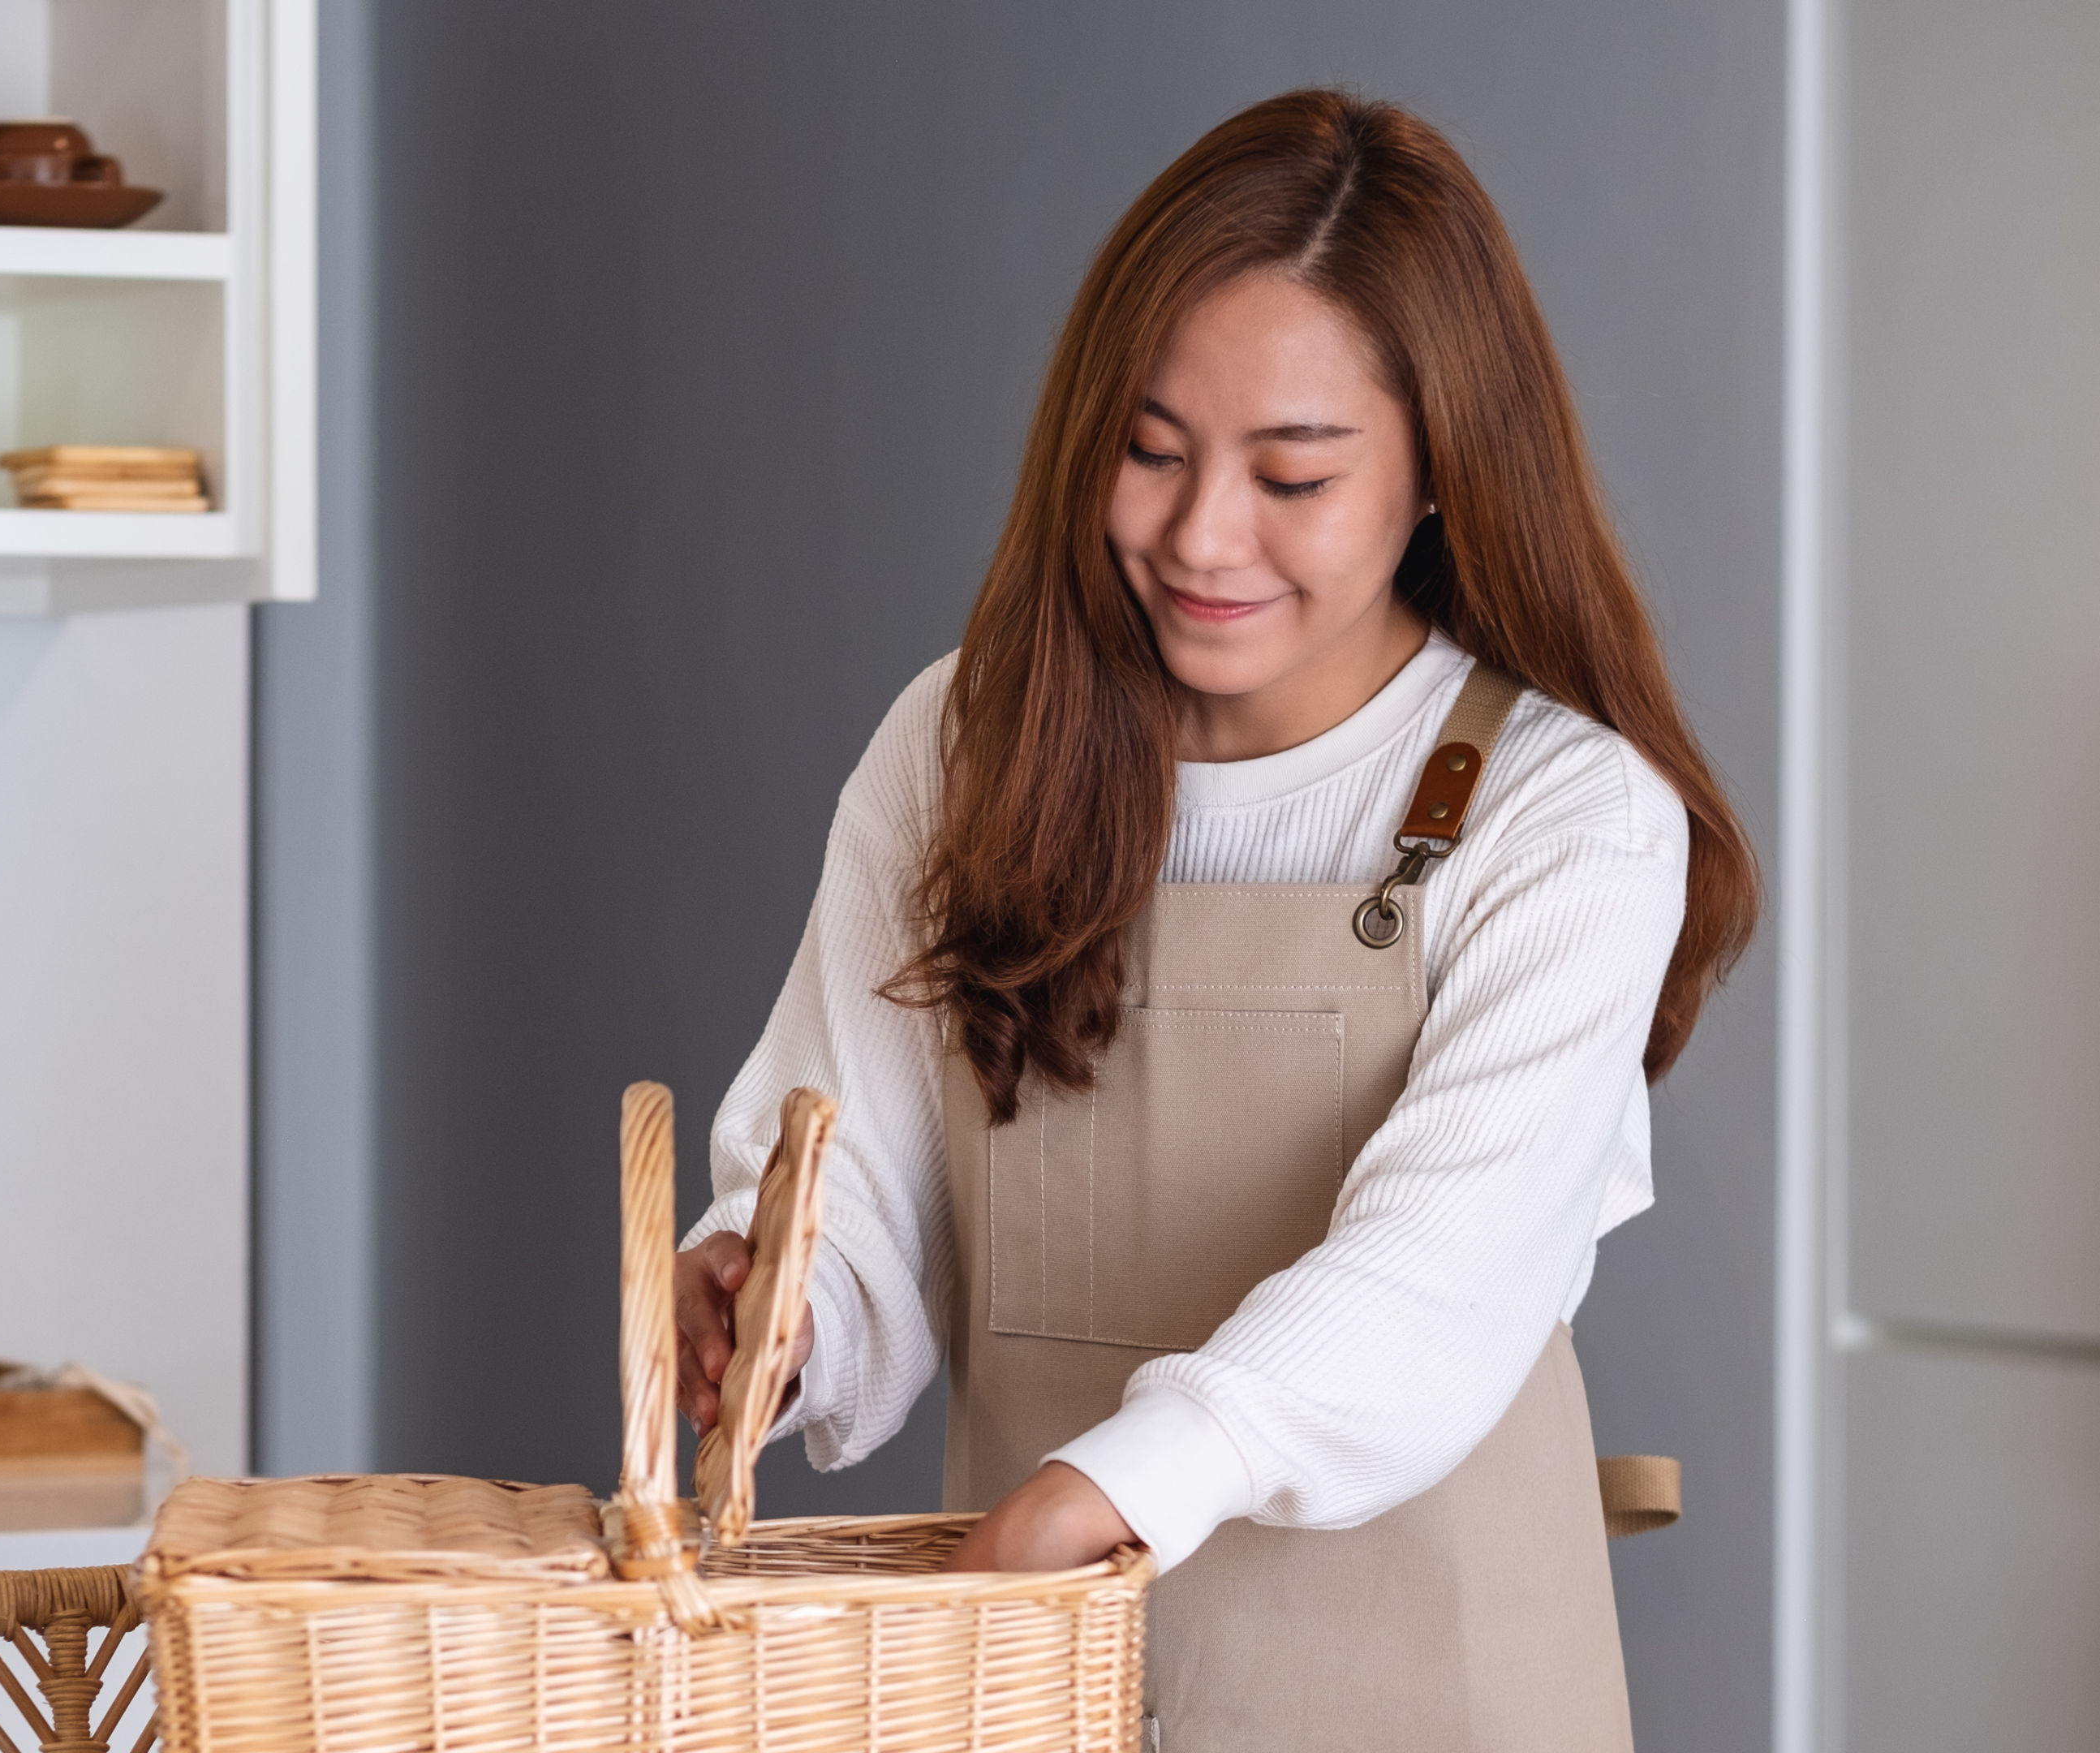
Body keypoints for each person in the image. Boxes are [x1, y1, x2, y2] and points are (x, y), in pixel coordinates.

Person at [672, 89, 1757, 1752]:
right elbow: (864, 1183)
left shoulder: (1567, 812)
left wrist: (1108, 1483)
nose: (1198, 538)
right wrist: (780, 1308)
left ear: (1441, 480)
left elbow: (1438, 1272)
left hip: (1428, 1690)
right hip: (1040, 1681)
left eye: (1294, 475)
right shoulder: (965, 745)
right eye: (1153, 450)